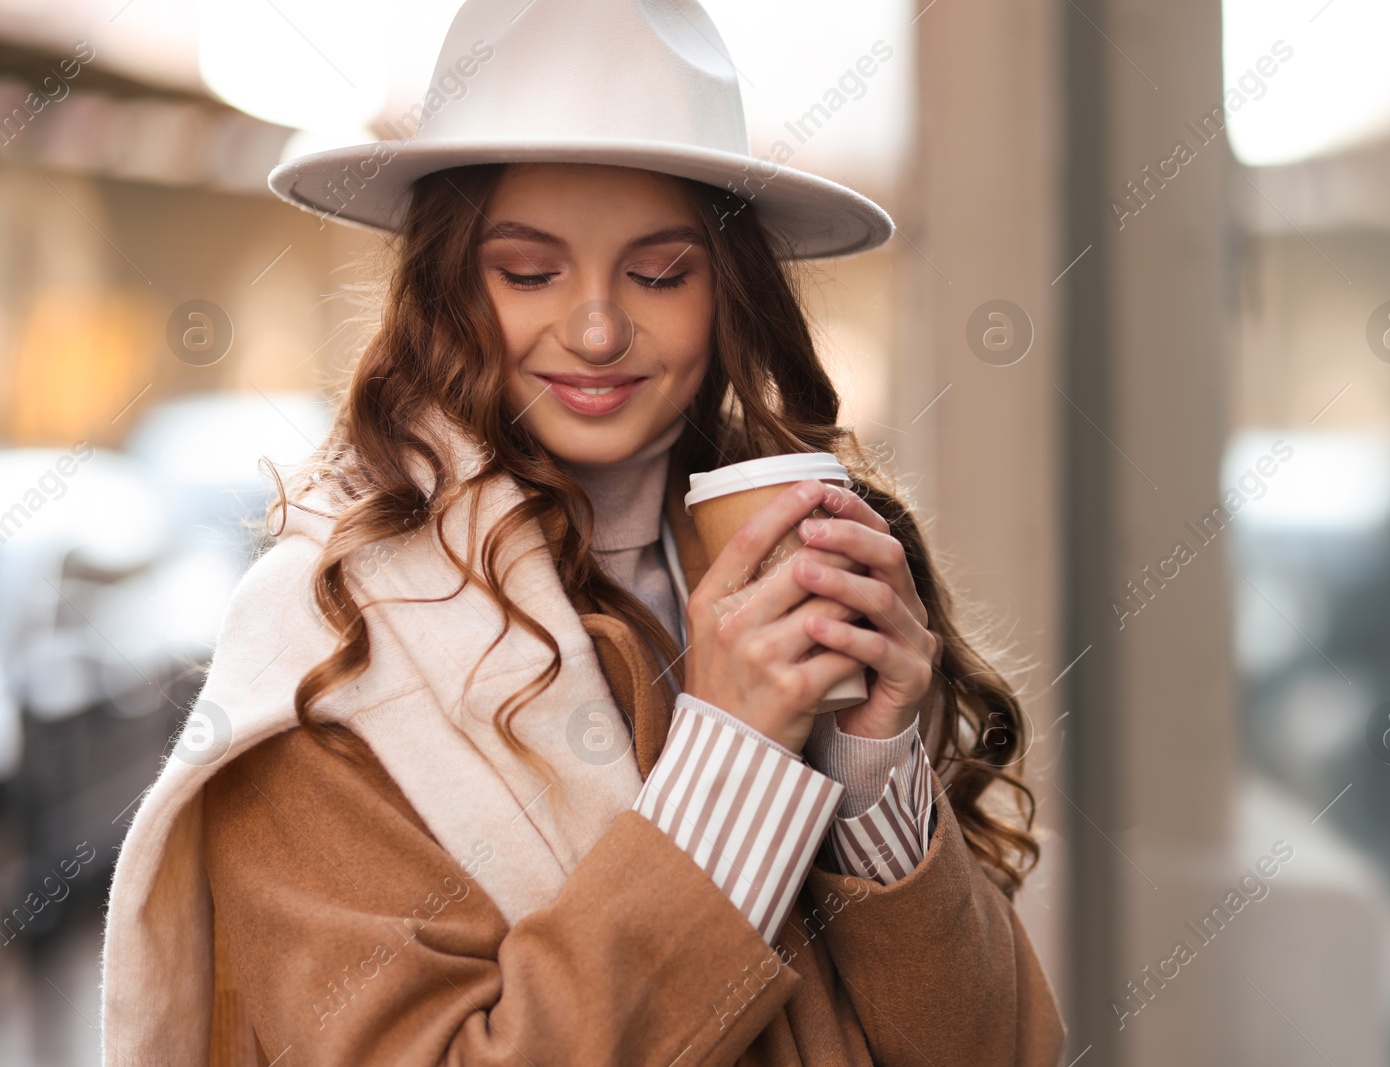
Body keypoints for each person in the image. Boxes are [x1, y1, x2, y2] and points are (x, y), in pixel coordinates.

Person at [99, 0, 1067, 1063]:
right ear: (445, 286)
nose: (599, 328)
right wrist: (737, 760)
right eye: (528, 270)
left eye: (659, 273)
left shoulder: (790, 576)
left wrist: (874, 766)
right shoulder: (326, 649)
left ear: (727, 293)